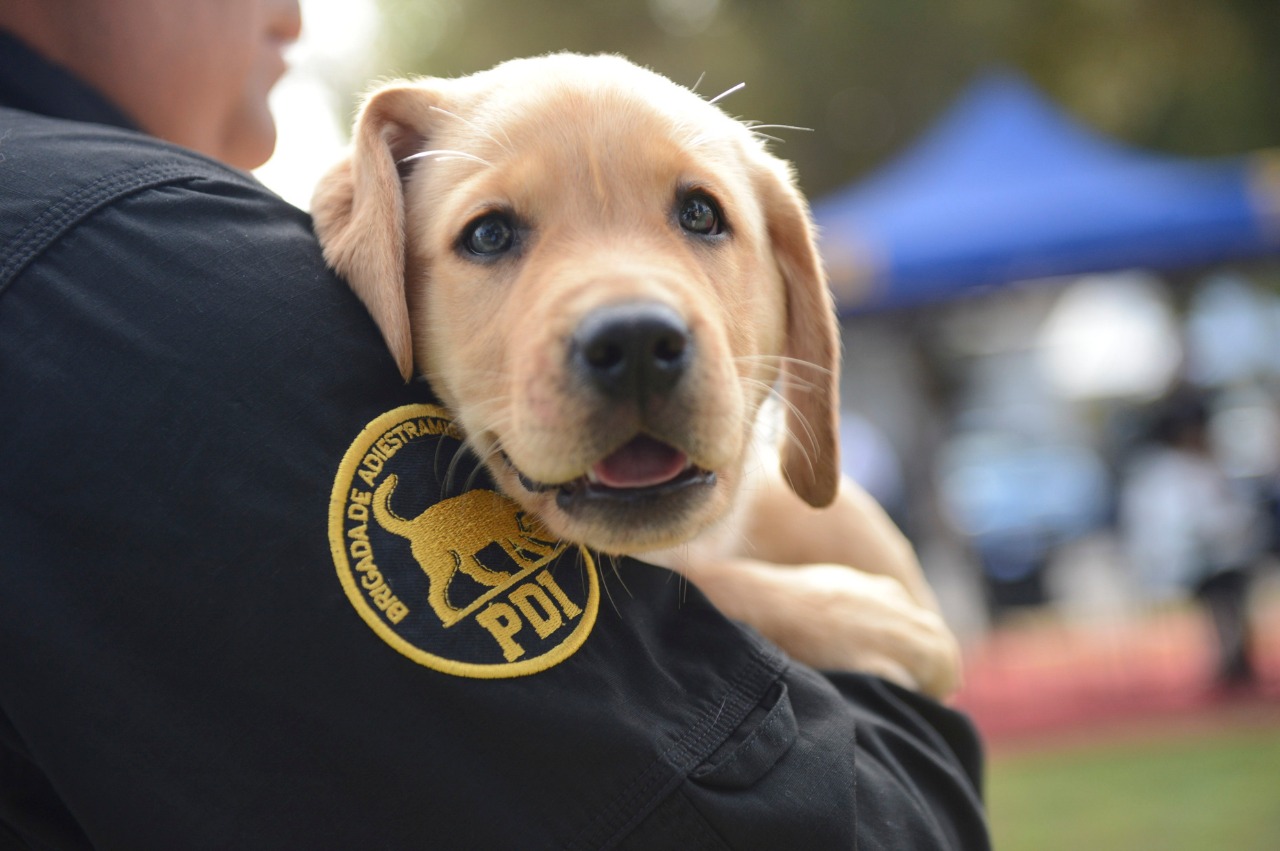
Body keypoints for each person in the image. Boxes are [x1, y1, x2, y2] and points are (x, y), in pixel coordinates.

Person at [0, 2, 990, 847]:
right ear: (370, 270)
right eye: (491, 232)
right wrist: (767, 613)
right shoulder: (122, 260)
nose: (630, 313)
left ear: (793, 290)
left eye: (698, 216)